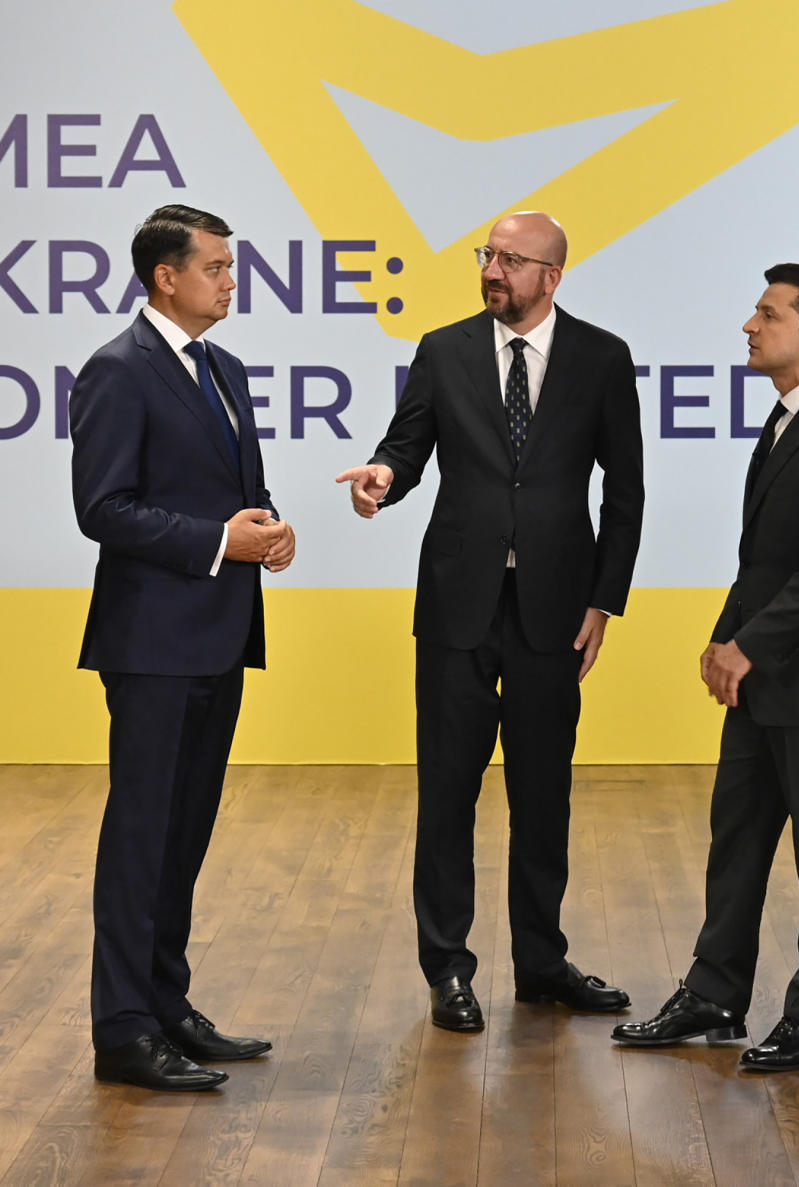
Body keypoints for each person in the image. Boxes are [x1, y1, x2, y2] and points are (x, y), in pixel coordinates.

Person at [337, 212, 644, 1032]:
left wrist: (604, 598)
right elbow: (406, 448)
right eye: (488, 255)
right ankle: (448, 968)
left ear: (553, 275)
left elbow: (625, 490)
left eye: (512, 260)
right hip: (456, 606)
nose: (493, 270)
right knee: (447, 793)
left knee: (544, 796)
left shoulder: (603, 358)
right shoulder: (443, 349)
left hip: (555, 610)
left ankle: (543, 962)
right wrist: (381, 476)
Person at [613, 263, 799, 1071]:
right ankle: (714, 992)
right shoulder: (788, 418)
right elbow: (765, 558)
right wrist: (723, 636)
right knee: (735, 842)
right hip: (763, 678)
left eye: (766, 315)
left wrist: (748, 644)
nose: (748, 325)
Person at [70, 204, 296, 1091]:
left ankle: (166, 1002)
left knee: (185, 831)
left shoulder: (223, 368)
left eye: (230, 268)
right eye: (216, 268)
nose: (230, 280)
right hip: (153, 639)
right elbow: (104, 508)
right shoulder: (116, 372)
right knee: (141, 834)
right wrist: (218, 541)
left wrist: (269, 530)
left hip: (217, 636)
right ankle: (123, 1027)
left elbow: (238, 486)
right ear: (166, 276)